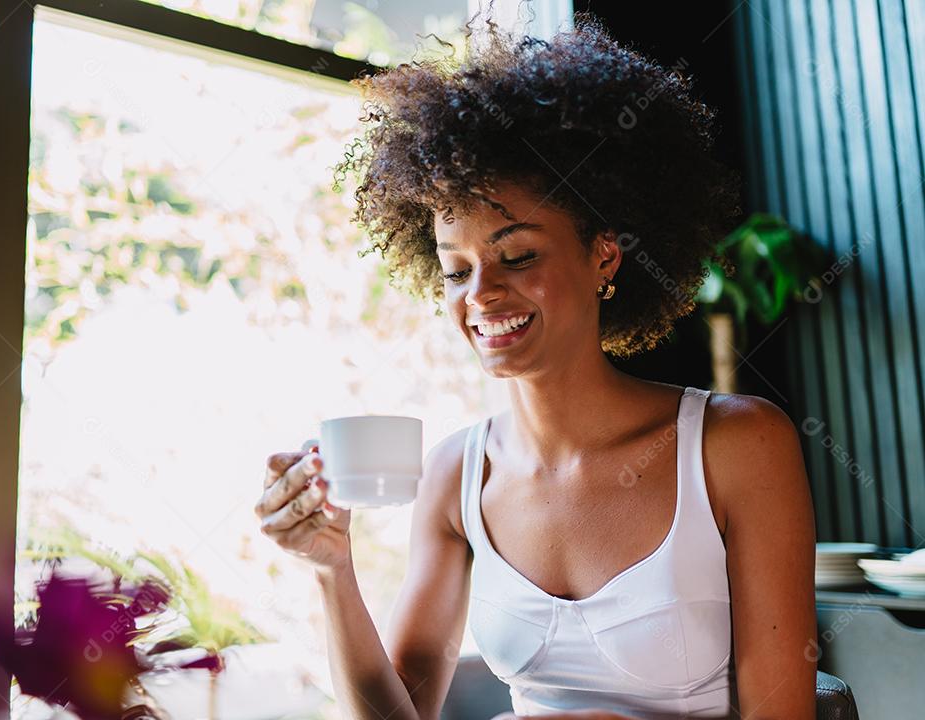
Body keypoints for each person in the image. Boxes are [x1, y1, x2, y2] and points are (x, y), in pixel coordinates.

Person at [254, 9, 816, 720]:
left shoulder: (736, 445)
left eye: (517, 256)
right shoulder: (456, 475)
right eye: (457, 271)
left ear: (604, 255)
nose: (482, 295)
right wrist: (332, 569)